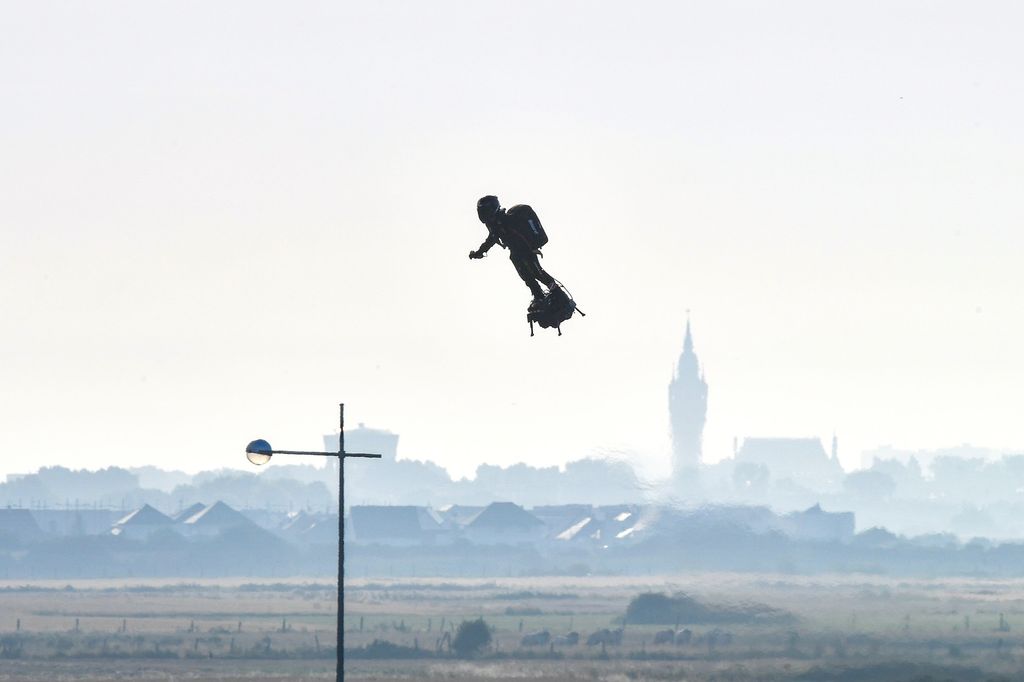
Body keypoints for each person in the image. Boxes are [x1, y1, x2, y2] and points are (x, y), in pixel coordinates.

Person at [468, 195, 558, 308]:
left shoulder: (506, 220)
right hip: (516, 253)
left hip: (527, 250)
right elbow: (491, 239)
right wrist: (479, 252)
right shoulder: (495, 225)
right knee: (526, 275)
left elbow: (519, 235)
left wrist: (532, 248)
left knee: (537, 273)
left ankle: (556, 293)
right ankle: (539, 296)